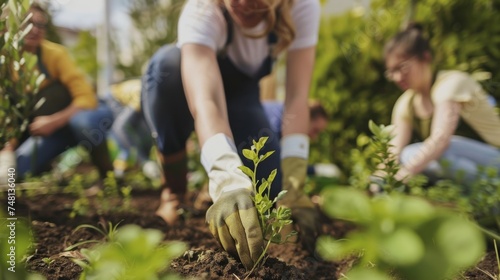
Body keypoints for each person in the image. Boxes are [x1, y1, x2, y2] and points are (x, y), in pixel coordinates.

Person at [141, 0, 321, 269]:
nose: (244, 6)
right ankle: (174, 193)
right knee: (166, 68)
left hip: (242, 96)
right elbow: (207, 102)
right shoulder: (202, 9)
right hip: (194, 85)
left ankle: (208, 191)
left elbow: (297, 99)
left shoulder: (303, 6)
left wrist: (294, 183)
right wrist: (225, 177)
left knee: (270, 192)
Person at [0, 3, 113, 182]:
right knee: (16, 171)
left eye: (41, 25)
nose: (35, 30)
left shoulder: (55, 54)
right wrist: (8, 149)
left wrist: (53, 121)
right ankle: (47, 167)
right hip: (48, 132)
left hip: (78, 119)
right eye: (28, 23)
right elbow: (9, 115)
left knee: (84, 123)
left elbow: (87, 98)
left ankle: (107, 176)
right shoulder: (6, 63)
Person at [383, 23, 500, 187]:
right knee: (408, 156)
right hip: (468, 167)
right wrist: (379, 180)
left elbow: (441, 139)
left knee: (431, 153)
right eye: (391, 71)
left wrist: (404, 174)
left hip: (495, 158)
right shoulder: (406, 103)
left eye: (402, 67)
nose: (397, 77)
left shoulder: (451, 83)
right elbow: (394, 152)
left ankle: (494, 194)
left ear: (425, 57)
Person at [263, 100, 341, 177]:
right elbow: (277, 164)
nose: (314, 137)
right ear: (306, 118)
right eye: (315, 130)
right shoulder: (274, 125)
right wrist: (314, 170)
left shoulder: (284, 116)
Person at [105, 78, 161, 180]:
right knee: (123, 137)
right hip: (114, 99)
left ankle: (143, 167)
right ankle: (119, 175)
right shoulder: (142, 97)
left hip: (133, 103)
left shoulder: (154, 99)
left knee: (146, 133)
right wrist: (144, 160)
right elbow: (119, 128)